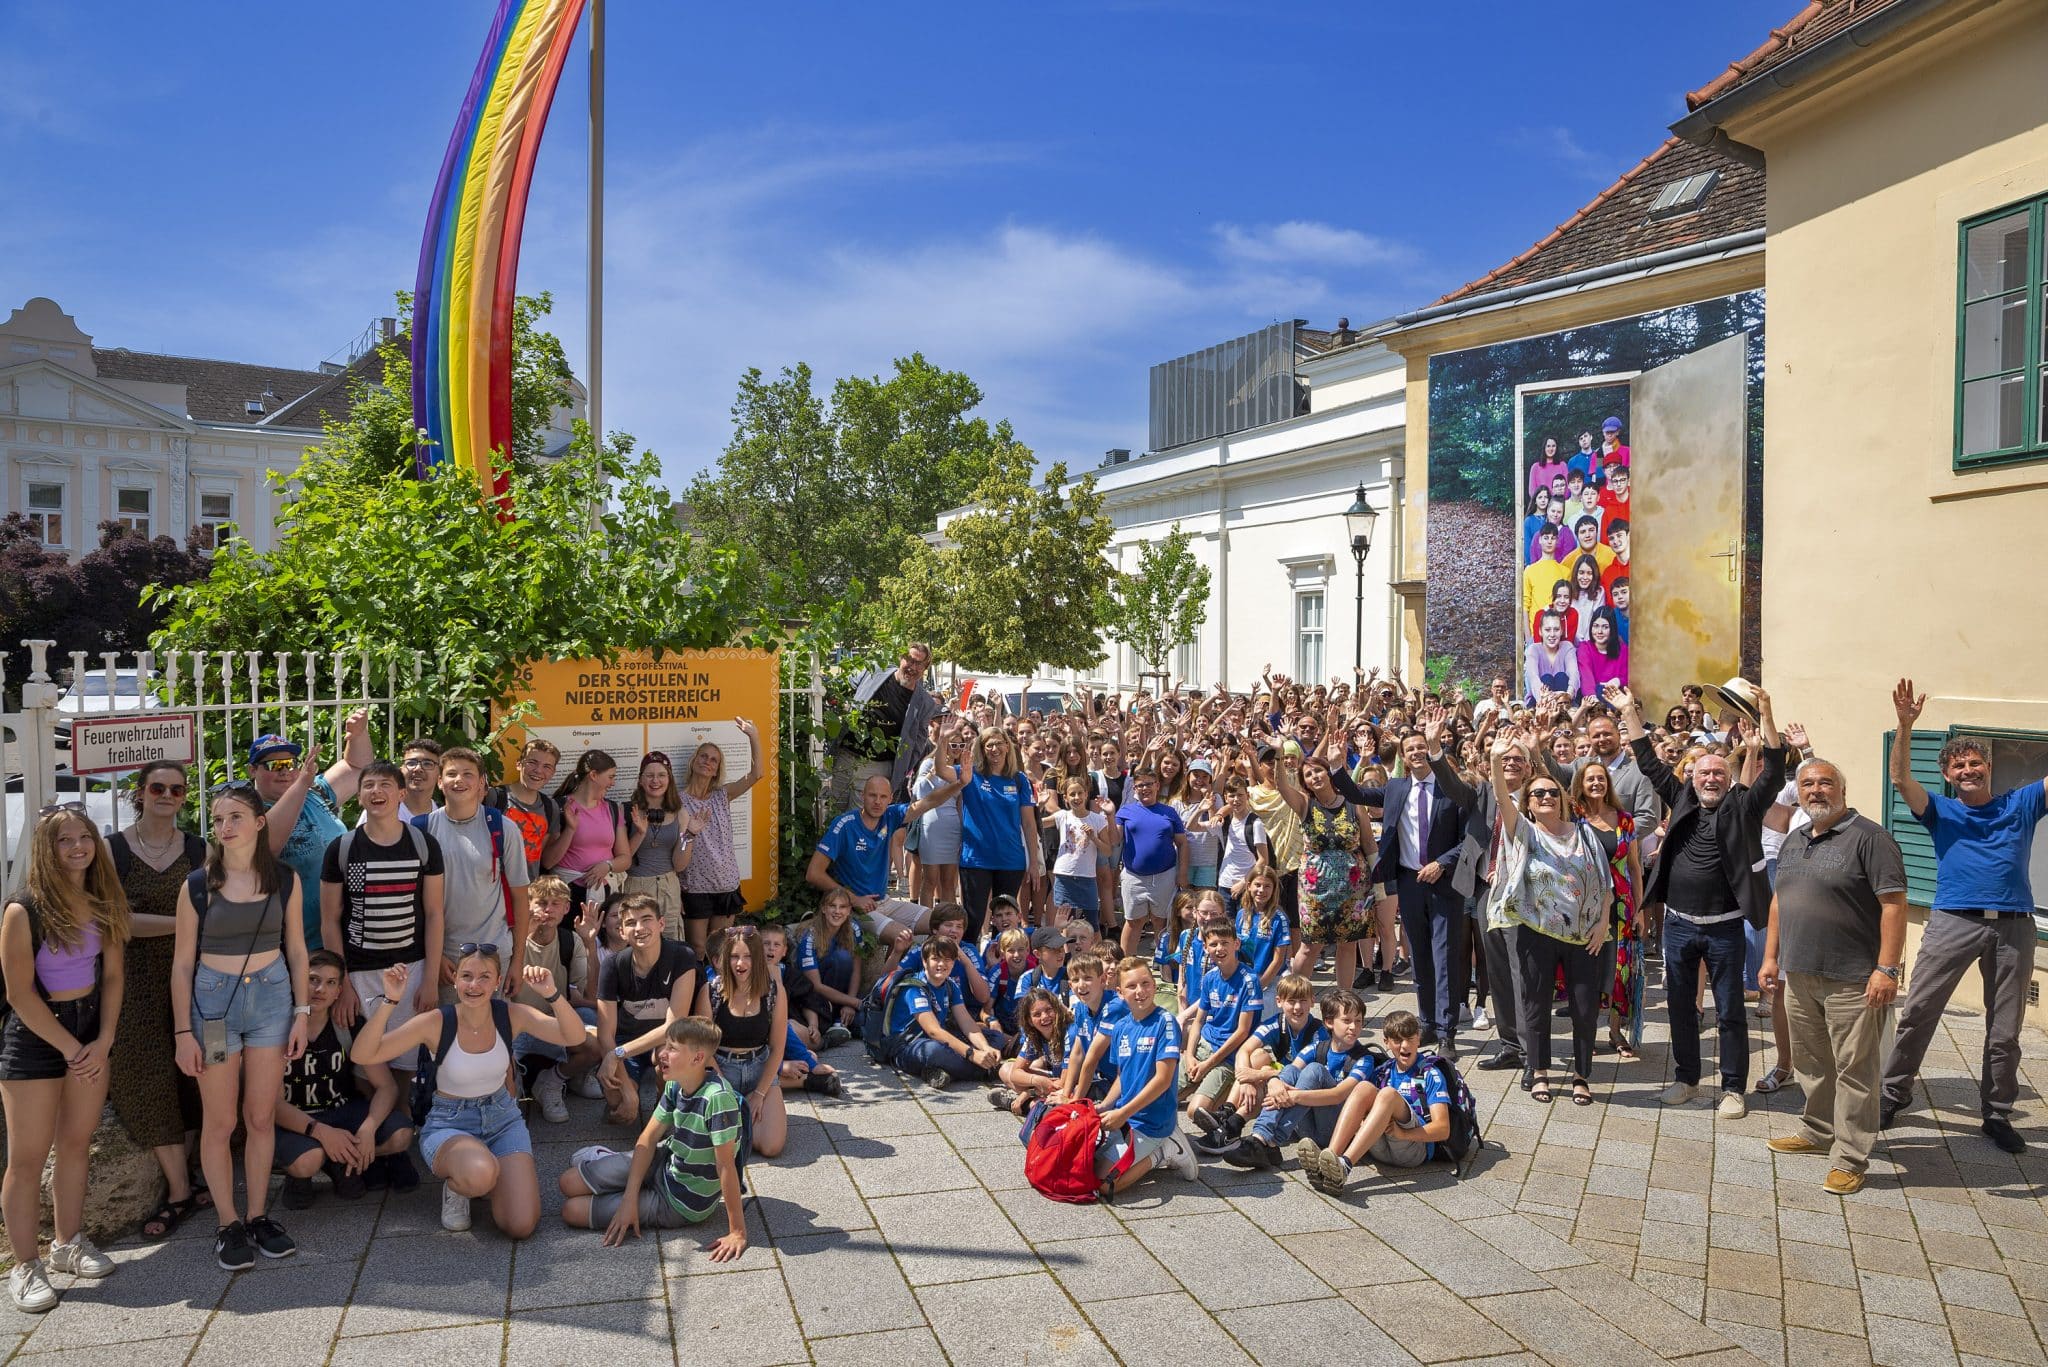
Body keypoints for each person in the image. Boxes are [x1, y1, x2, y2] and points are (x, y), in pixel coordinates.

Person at [1880, 679, 2048, 1153]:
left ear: (1988, 768)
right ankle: (1893, 1096)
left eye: (1975, 763)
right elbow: (1899, 780)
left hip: (2014, 924)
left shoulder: (2022, 802)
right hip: (1954, 920)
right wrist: (1905, 726)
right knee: (1918, 1013)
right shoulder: (1940, 811)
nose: (1968, 769)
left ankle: (1996, 1114)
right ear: (1948, 775)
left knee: (2006, 1030)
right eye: (1959, 765)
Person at [1613, 683, 1785, 1118]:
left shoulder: (1742, 808)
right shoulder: (1681, 798)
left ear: (1728, 781)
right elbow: (1649, 763)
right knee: (1680, 1007)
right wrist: (1628, 711)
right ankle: (1687, 1078)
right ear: (1691, 777)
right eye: (1704, 773)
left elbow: (1775, 771)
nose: (1711, 779)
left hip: (1725, 926)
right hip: (1679, 925)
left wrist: (1767, 715)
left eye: (1719, 775)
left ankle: (1732, 1089)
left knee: (1729, 1010)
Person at [172, 782, 311, 1271]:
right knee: (221, 1121)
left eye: (234, 817)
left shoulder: (285, 880)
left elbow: (297, 950)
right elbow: (183, 965)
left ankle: (257, 1216)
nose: (224, 827)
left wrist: (302, 1012)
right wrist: (182, 1034)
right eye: (217, 819)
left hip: (272, 1001)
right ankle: (227, 1223)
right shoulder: (196, 886)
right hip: (213, 1011)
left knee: (259, 1117)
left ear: (258, 823)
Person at [352, 947, 587, 1236]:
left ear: (497, 981)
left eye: (484, 977)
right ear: (455, 980)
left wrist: (551, 994)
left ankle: (487, 1174)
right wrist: (390, 999)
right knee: (479, 1175)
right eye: (466, 976)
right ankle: (458, 1186)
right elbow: (363, 1054)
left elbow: (575, 1036)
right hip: (449, 1122)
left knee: (520, 1225)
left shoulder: (510, 1015)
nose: (474, 985)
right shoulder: (437, 1021)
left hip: (503, 1118)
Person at [1757, 759, 1908, 1194]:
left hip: (1854, 978)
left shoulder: (1871, 838)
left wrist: (1887, 968)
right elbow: (1779, 902)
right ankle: (1818, 1131)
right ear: (1799, 793)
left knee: (1855, 1070)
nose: (1816, 790)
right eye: (1808, 784)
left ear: (1842, 789)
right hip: (1800, 973)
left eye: (1825, 782)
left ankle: (1850, 1157)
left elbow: (1894, 905)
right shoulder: (1795, 839)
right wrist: (1771, 958)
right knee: (1811, 1061)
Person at [2, 806, 130, 1310]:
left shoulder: (103, 900)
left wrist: (103, 1040)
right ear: (45, 848)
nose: (77, 847)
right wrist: (72, 1048)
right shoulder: (23, 909)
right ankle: (25, 1265)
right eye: (64, 840)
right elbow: (19, 995)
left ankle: (67, 1244)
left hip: (90, 1031)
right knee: (27, 1159)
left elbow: (114, 976)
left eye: (84, 837)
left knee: (76, 1143)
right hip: (37, 1037)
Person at [105, 762, 207, 1241]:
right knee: (148, 1080)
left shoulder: (198, 848)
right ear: (140, 793)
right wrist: (183, 923)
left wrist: (165, 922)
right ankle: (180, 1190)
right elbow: (115, 923)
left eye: (177, 789)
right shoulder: (114, 851)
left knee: (199, 1078)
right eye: (158, 787)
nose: (168, 794)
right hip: (135, 984)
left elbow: (218, 908)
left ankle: (190, 1180)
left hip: (197, 980)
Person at [1482, 737, 1610, 1106]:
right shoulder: (1523, 831)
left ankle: (1581, 1076)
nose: (1546, 798)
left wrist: (1602, 924)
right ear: (1529, 804)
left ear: (1563, 798)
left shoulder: (1585, 833)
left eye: (1552, 793)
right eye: (1538, 794)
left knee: (1585, 1009)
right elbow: (1501, 798)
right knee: (1535, 1003)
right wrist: (1495, 758)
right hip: (1535, 933)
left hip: (1583, 936)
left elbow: (1604, 884)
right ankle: (1539, 1071)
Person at [558, 1016, 747, 1258]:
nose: (661, 1054)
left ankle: (621, 1175)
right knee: (567, 1182)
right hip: (666, 1161)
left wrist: (737, 1232)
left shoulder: (718, 1099)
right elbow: (647, 1139)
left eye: (672, 1049)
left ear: (698, 1058)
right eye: (664, 1046)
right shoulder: (675, 1084)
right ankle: (618, 1169)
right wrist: (629, 1199)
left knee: (571, 1211)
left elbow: (726, 1167)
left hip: (679, 1202)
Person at [807, 721, 970, 966]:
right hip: (858, 908)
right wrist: (852, 899)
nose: (877, 801)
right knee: (902, 937)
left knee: (944, 921)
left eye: (883, 797)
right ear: (863, 796)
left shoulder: (891, 816)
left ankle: (935, 978)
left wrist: (959, 784)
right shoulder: (845, 824)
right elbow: (813, 873)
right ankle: (885, 991)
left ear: (890, 799)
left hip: (886, 902)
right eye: (872, 795)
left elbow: (927, 802)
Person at [321, 759, 444, 1073]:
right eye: (369, 785)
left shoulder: (424, 845)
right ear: (360, 797)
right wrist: (343, 983)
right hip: (360, 973)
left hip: (411, 970)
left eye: (385, 784)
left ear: (401, 794)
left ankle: (401, 1121)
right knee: (365, 1066)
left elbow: (433, 914)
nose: (376, 791)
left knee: (407, 1065)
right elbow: (330, 919)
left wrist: (429, 979)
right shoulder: (342, 848)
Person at [1428, 718, 1533, 1077]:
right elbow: (1453, 786)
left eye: (1519, 760)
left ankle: (1533, 1049)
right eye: (1506, 760)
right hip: (1486, 890)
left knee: (1524, 971)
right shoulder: (1485, 792)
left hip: (1527, 893)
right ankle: (1510, 1046)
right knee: (1497, 969)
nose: (1512, 764)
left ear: (1530, 767)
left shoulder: (1541, 795)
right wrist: (1434, 749)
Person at [272, 951, 415, 1208]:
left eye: (330, 983)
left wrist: (368, 1129)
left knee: (402, 1134)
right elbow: (272, 1105)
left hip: (342, 1112)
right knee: (307, 1161)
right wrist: (324, 1134)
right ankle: (313, 1167)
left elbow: (386, 1087)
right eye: (313, 979)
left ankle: (342, 1159)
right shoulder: (276, 1027)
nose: (319, 989)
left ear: (339, 991)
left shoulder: (347, 1024)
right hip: (297, 1120)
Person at [1357, 730, 1466, 1050]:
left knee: (1444, 957)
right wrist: (1340, 765)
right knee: (1420, 955)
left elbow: (1469, 838)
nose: (1417, 752)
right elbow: (1356, 793)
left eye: (1422, 747)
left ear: (1432, 751)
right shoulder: (1395, 788)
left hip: (1444, 883)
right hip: (1409, 881)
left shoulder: (1453, 789)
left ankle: (1447, 1032)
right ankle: (1428, 1023)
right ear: (1403, 757)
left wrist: (1442, 863)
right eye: (1411, 749)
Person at [247, 710, 372, 949]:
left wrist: (358, 734)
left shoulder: (314, 792)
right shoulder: (248, 810)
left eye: (289, 763)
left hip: (344, 932)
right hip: (298, 944)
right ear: (253, 770)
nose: (284, 771)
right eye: (274, 765)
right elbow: (267, 844)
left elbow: (358, 767)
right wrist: (302, 781)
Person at [1073, 957, 1199, 1193]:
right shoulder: (1121, 1026)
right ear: (1120, 992)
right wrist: (1106, 1106)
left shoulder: (1166, 1023)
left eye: (1145, 983)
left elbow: (1162, 1081)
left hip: (1152, 1122)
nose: (1140, 991)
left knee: (1104, 1186)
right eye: (1131, 986)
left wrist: (1123, 1112)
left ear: (1154, 985)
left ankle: (1164, 1151)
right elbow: (1123, 1077)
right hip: (1127, 1117)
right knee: (1084, 1166)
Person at [1299, 1010, 1453, 1198]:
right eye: (1397, 1040)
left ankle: (1345, 1165)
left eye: (1410, 1039)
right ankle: (1330, 1162)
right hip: (1380, 1145)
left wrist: (1403, 1133)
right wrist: (1363, 1121)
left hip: (1413, 1148)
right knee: (1364, 1087)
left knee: (1387, 1094)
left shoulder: (1430, 1073)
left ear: (1419, 1039)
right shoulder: (1382, 1072)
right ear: (1386, 1042)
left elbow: (1443, 1129)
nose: (1404, 1046)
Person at [424, 748, 532, 1003]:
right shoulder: (424, 829)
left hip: (495, 954)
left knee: (492, 1034)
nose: (459, 780)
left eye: (468, 774)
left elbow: (520, 900)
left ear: (481, 782)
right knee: (447, 1036)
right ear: (440, 781)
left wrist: (518, 962)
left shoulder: (504, 828)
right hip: (446, 959)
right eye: (451, 774)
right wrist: (435, 957)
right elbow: (419, 906)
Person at [1276, 750, 1376, 999]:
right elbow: (1281, 786)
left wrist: (1380, 886)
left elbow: (1370, 844)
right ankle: (1294, 996)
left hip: (1353, 888)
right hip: (1315, 890)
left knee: (1348, 943)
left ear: (1329, 773)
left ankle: (1344, 999)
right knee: (1310, 946)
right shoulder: (1305, 804)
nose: (1314, 776)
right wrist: (1278, 756)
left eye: (1318, 770)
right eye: (1308, 774)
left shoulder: (1354, 805)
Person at [596, 895, 700, 1128]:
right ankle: (631, 1092)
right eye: (631, 923)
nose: (640, 928)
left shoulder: (682, 957)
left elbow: (674, 1027)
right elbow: (605, 1033)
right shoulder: (613, 965)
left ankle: (664, 1108)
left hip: (665, 1042)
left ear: (661, 924)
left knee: (669, 1056)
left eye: (646, 919)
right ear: (622, 931)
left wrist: (616, 1055)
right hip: (626, 1039)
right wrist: (626, 1089)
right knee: (618, 1100)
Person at [514, 876, 603, 1123]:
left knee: (596, 1036)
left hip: (552, 1023)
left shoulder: (569, 940)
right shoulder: (511, 937)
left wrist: (590, 944)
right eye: (541, 902)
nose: (548, 910)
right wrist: (523, 935)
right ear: (528, 905)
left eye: (556, 903)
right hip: (515, 1025)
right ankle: (514, 1084)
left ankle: (552, 1081)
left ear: (566, 908)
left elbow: (589, 997)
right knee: (509, 1104)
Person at [1572, 762, 1644, 1058]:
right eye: (1590, 779)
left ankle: (1615, 1032)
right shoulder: (1572, 818)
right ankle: (1584, 1033)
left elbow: (1636, 868)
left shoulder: (1625, 820)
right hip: (1583, 905)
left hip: (1622, 905)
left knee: (1619, 968)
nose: (1596, 783)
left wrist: (1639, 910)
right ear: (1581, 783)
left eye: (1601, 778)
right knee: (1585, 967)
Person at [698, 924, 789, 1159]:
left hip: (759, 1065)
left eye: (748, 956)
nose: (741, 964)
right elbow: (703, 1050)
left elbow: (778, 1048)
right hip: (720, 1068)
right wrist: (724, 1090)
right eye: (735, 957)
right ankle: (741, 1119)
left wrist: (760, 1094)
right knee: (720, 1144)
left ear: (757, 958)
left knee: (771, 1146)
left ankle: (750, 1115)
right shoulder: (711, 992)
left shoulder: (774, 992)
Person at [677, 721, 765, 956]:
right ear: (694, 762)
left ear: (716, 770)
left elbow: (757, 774)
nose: (707, 761)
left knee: (720, 949)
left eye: (713, 760)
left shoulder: (722, 795)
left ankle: (720, 991)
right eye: (703, 756)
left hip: (726, 883)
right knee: (696, 948)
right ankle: (696, 990)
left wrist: (753, 736)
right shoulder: (677, 800)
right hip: (694, 885)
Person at [831, 643, 941, 813]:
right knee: (832, 812)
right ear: (901, 658)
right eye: (910, 660)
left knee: (860, 819)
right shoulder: (875, 671)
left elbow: (917, 745)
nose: (912, 667)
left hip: (877, 767)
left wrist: (899, 769)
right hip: (845, 757)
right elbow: (846, 686)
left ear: (925, 668)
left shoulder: (925, 703)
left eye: (919, 664)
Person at [958, 726, 1041, 942]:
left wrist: (1033, 863)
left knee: (1005, 923)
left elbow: (1029, 824)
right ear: (982, 750)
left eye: (998, 743)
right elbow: (941, 770)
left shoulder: (1020, 779)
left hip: (1010, 860)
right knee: (973, 920)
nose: (994, 749)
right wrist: (945, 738)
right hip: (976, 860)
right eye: (989, 745)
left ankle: (1001, 971)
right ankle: (967, 968)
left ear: (1007, 746)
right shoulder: (971, 774)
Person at [885, 933, 999, 1088]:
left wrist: (985, 1047)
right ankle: (987, 1071)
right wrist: (972, 1054)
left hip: (940, 1041)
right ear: (924, 962)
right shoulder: (914, 987)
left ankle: (942, 1070)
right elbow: (934, 1031)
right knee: (933, 1051)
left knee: (995, 1038)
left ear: (953, 963)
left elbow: (967, 1023)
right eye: (936, 959)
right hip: (908, 1046)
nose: (942, 964)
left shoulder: (950, 985)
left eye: (947, 959)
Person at [1109, 769, 1189, 959]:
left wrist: (1183, 872)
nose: (1144, 788)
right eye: (1140, 785)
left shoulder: (1169, 812)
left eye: (1148, 784)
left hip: (1165, 875)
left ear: (1157, 786)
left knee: (1161, 921)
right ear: (1135, 788)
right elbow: (1114, 840)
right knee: (1133, 921)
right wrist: (1110, 816)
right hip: (1133, 876)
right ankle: (1126, 964)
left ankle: (1164, 965)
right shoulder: (1126, 811)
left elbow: (1183, 843)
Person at [622, 752, 699, 941]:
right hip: (635, 886)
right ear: (641, 780)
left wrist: (690, 835)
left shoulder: (680, 813)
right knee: (638, 941)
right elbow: (623, 859)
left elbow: (679, 865)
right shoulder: (626, 811)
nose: (655, 781)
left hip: (668, 887)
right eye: (649, 775)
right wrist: (640, 832)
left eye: (661, 775)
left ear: (669, 779)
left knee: (671, 942)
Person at [552, 750, 631, 930]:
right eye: (610, 777)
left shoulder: (611, 808)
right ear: (594, 775)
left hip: (604, 893)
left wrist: (607, 866)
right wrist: (570, 829)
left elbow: (625, 858)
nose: (613, 783)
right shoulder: (560, 807)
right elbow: (549, 860)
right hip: (567, 893)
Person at [487, 737, 571, 874]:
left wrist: (571, 829)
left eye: (547, 766)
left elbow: (547, 862)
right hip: (491, 887)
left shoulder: (551, 808)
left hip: (527, 889)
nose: (538, 770)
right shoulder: (494, 797)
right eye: (532, 762)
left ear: (553, 773)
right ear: (519, 764)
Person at [797, 886, 866, 1045]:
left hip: (844, 996)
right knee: (841, 958)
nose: (837, 911)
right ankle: (832, 1023)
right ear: (823, 909)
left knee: (864, 1024)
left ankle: (840, 1022)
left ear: (849, 910)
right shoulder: (810, 936)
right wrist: (854, 1003)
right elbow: (815, 986)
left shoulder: (854, 928)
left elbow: (856, 969)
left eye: (842, 907)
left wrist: (850, 1002)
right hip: (817, 998)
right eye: (832, 906)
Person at [1522, 611, 1579, 705]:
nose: (1552, 634)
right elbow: (1533, 677)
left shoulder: (1567, 647)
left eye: (1556, 629)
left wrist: (1568, 694)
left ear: (1561, 631)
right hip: (1540, 701)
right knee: (1546, 678)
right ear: (1540, 631)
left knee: (1561, 677)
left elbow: (1574, 673)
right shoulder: (1533, 649)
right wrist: (1546, 697)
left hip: (1564, 701)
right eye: (1547, 630)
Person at [1576, 609, 1628, 699]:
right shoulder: (1585, 648)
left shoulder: (1623, 650)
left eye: (1605, 627)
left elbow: (1628, 676)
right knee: (1599, 689)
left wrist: (1618, 681)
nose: (1599, 631)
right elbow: (1586, 676)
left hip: (1616, 698)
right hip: (1593, 699)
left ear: (1612, 628)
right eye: (1596, 626)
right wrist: (1593, 699)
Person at [1522, 527, 1569, 619]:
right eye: (1546, 538)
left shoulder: (1566, 572)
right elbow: (1525, 604)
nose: (1549, 541)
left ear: (1557, 541)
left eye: (1553, 538)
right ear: (1540, 540)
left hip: (1556, 628)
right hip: (1535, 628)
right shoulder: (1530, 570)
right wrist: (1528, 633)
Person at [1528, 436, 1569, 501]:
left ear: (1556, 448)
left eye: (1553, 446)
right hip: (1541, 504)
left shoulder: (1563, 465)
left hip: (1558, 505)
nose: (1551, 449)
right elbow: (1532, 491)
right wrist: (1543, 501)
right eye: (1548, 446)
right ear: (1544, 448)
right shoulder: (1535, 467)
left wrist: (1556, 502)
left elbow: (1567, 489)